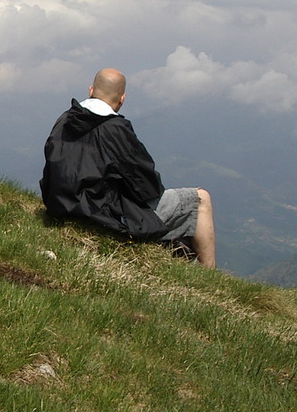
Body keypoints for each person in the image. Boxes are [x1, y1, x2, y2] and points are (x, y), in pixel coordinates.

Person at [40, 68, 216, 267]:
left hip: (62, 207)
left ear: (91, 90)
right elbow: (147, 187)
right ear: (122, 99)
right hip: (104, 217)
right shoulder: (116, 129)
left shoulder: (64, 120)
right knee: (201, 199)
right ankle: (210, 274)